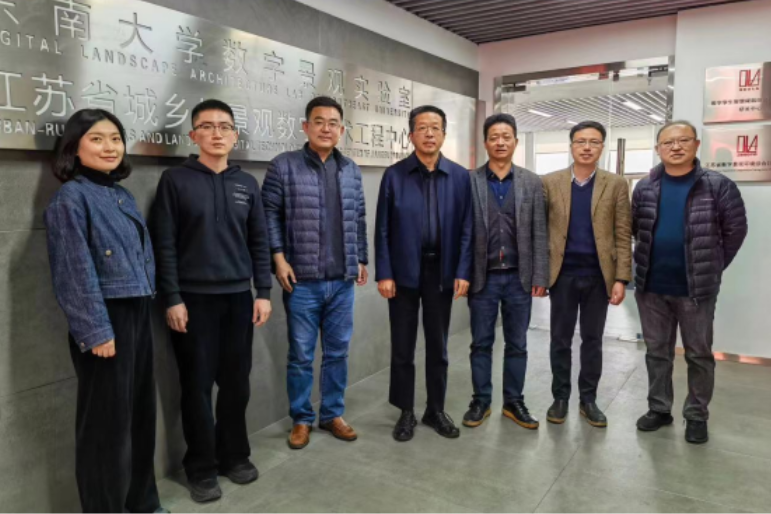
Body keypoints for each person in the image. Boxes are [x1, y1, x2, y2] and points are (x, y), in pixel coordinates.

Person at [152, 99, 273, 502]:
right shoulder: (175, 180)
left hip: (239, 299)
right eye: (207, 126)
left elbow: (259, 241)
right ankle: (201, 467)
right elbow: (164, 244)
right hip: (192, 301)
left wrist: (263, 292)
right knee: (197, 387)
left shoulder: (247, 184)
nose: (217, 133)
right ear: (193, 135)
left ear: (235, 135)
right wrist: (172, 298)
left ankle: (234, 455)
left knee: (237, 385)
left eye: (224, 126)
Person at [44, 109, 163, 513]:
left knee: (140, 417)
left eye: (115, 138)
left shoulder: (120, 194)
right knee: (105, 428)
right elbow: (73, 271)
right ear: (74, 148)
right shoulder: (71, 198)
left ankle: (142, 502)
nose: (110, 147)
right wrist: (95, 330)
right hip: (105, 320)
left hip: (138, 311)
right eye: (97, 139)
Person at [262, 96, 368, 450]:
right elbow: (269, 215)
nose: (326, 128)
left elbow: (359, 217)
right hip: (302, 280)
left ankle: (332, 414)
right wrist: (278, 259)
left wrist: (361, 258)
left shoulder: (350, 169)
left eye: (333, 122)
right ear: (306, 126)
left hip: (342, 281)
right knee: (301, 356)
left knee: (337, 352)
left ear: (341, 129)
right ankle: (301, 418)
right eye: (319, 121)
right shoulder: (283, 166)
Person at [632, 120, 748, 444]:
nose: (676, 147)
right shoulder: (645, 187)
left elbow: (735, 231)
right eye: (668, 142)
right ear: (658, 149)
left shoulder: (718, 186)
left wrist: (712, 266)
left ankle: (696, 415)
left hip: (695, 290)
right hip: (651, 287)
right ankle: (659, 408)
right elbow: (636, 228)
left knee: (698, 354)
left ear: (696, 145)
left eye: (683, 140)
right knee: (657, 352)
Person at [375, 105, 473, 442]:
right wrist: (384, 273)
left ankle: (435, 409)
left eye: (435, 127)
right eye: (422, 127)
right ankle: (406, 411)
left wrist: (463, 270)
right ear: (411, 134)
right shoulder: (395, 175)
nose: (429, 133)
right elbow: (383, 229)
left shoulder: (459, 177)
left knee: (438, 346)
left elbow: (468, 229)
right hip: (403, 273)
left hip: (441, 273)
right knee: (403, 347)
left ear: (444, 134)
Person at [541, 120, 632, 427]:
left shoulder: (615, 184)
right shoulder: (550, 182)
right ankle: (560, 397)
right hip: (562, 276)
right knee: (560, 339)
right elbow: (540, 232)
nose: (587, 147)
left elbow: (623, 233)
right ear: (571, 146)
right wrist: (540, 276)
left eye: (594, 142)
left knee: (592, 340)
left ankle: (588, 399)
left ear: (602, 147)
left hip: (598, 277)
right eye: (581, 141)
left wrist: (621, 278)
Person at [462, 113, 549, 431]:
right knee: (480, 343)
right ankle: (481, 400)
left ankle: (514, 401)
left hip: (518, 278)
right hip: (482, 277)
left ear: (515, 141)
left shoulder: (531, 181)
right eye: (494, 137)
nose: (500, 142)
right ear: (485, 142)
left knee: (517, 344)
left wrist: (540, 276)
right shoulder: (469, 181)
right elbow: (462, 232)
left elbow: (540, 231)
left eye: (506, 137)